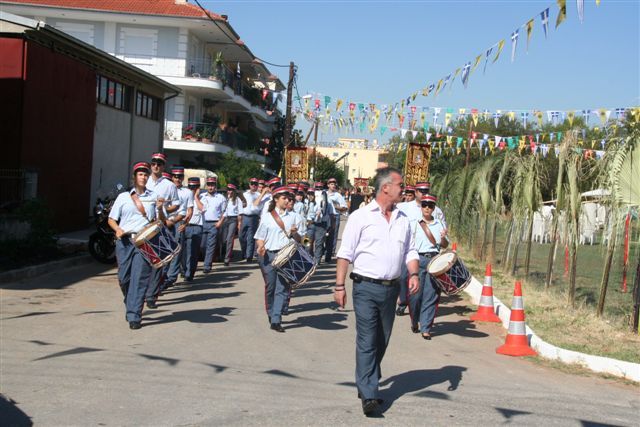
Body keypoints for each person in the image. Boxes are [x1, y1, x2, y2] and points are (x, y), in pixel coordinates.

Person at [334, 167, 420, 417]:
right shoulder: (360, 217)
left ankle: (368, 376)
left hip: (391, 289)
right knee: (367, 339)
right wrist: (339, 286)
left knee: (382, 339)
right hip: (364, 287)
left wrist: (413, 273)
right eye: (400, 185)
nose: (404, 190)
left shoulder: (404, 219)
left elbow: (410, 251)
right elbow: (345, 254)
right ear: (386, 188)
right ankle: (369, 394)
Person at [108, 162, 165, 330]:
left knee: (139, 279)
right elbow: (111, 219)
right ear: (134, 177)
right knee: (124, 278)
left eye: (146, 174)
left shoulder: (153, 196)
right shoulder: (123, 197)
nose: (144, 176)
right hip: (125, 241)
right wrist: (117, 229)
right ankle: (130, 301)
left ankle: (134, 315)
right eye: (140, 174)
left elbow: (160, 222)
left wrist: (161, 210)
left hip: (145, 242)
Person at [255, 187, 306, 332]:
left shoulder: (294, 217)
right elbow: (260, 236)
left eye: (289, 198)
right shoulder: (267, 216)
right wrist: (260, 246)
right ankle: (271, 313)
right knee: (270, 286)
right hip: (269, 255)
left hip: (286, 256)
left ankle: (276, 319)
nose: (287, 200)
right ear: (276, 199)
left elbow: (301, 239)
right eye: (284, 198)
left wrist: (296, 234)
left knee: (282, 287)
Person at [408, 194, 448, 340]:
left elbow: (444, 245)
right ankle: (414, 320)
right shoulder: (414, 223)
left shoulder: (439, 224)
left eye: (430, 206)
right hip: (418, 260)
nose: (427, 208)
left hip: (434, 261)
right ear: (421, 206)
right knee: (415, 296)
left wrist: (443, 238)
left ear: (434, 208)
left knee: (431, 296)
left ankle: (426, 327)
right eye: (424, 205)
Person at [145, 152, 180, 308]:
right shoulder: (144, 181)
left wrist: (165, 208)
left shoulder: (169, 185)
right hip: (143, 225)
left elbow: (177, 204)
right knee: (144, 261)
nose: (156, 166)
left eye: (159, 163)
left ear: (163, 166)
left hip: (160, 226)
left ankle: (152, 295)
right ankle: (142, 290)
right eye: (153, 163)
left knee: (158, 262)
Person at [395, 182, 426, 316]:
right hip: (406, 250)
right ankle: (402, 301)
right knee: (402, 278)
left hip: (423, 251)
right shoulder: (403, 207)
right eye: (421, 191)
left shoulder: (433, 209)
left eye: (426, 191)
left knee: (418, 280)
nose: (424, 193)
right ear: (416, 192)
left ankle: (415, 307)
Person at [164, 166, 194, 288]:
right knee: (164, 250)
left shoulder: (187, 192)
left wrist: (185, 224)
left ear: (183, 178)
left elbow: (190, 210)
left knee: (176, 251)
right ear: (172, 177)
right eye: (175, 176)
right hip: (164, 220)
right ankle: (162, 275)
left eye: (180, 177)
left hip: (179, 221)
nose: (177, 179)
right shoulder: (166, 189)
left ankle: (171, 277)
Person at [200, 177, 226, 273]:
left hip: (214, 223)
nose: (211, 187)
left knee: (211, 245)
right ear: (206, 186)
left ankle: (207, 265)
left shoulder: (220, 197)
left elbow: (224, 212)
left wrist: (220, 222)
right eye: (209, 185)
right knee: (202, 245)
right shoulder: (202, 196)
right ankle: (206, 260)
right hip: (203, 223)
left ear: (215, 186)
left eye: (212, 185)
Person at [183, 177, 205, 282]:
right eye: (190, 187)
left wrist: (196, 197)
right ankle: (184, 270)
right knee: (183, 252)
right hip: (184, 226)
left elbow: (203, 208)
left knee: (192, 253)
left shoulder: (203, 198)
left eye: (195, 187)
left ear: (198, 188)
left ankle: (190, 273)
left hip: (196, 227)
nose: (192, 189)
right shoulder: (185, 196)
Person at [219, 183, 245, 266]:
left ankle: (227, 259)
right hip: (224, 219)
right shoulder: (225, 199)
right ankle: (221, 255)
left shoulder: (237, 200)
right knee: (223, 240)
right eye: (228, 189)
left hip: (233, 220)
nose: (229, 191)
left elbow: (240, 213)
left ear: (233, 191)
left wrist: (239, 223)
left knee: (230, 239)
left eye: (230, 190)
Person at [311, 181, 335, 264]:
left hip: (322, 224)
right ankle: (308, 258)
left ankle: (316, 261)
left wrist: (332, 225)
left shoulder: (328, 200)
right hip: (310, 223)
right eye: (317, 188)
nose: (318, 190)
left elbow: (331, 214)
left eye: (320, 188)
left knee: (319, 243)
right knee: (306, 242)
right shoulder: (309, 198)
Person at [325, 177, 347, 262]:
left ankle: (331, 252)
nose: (333, 185)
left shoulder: (338, 195)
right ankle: (325, 250)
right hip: (325, 216)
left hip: (334, 216)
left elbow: (345, 208)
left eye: (334, 184)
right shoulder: (324, 194)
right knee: (324, 235)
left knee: (332, 235)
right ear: (328, 185)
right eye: (331, 184)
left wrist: (336, 207)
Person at [240, 178, 261, 263]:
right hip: (244, 216)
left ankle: (249, 256)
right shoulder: (244, 194)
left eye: (255, 184)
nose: (253, 185)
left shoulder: (259, 195)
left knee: (251, 238)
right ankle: (244, 252)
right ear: (249, 184)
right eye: (252, 183)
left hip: (254, 217)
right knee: (242, 236)